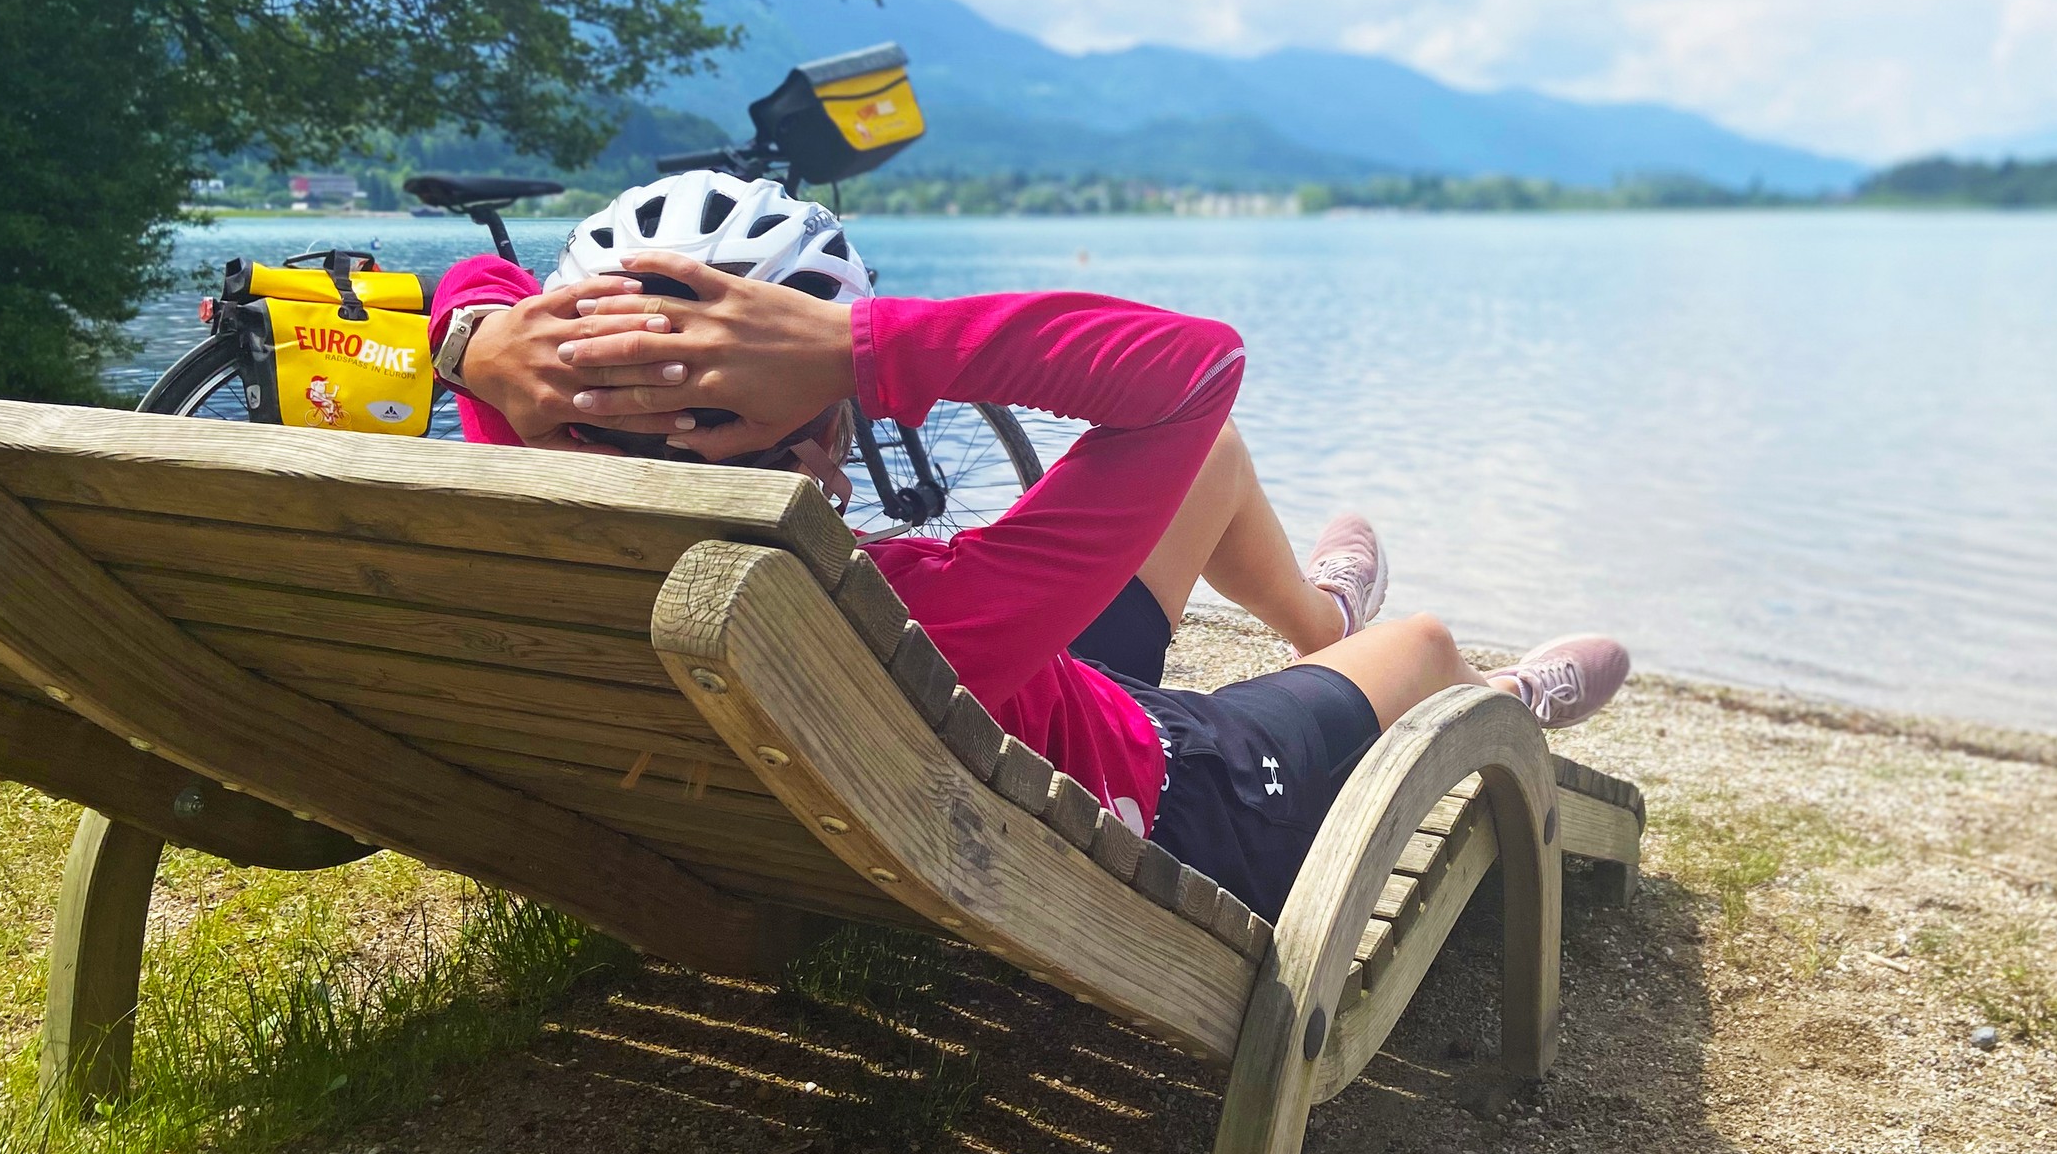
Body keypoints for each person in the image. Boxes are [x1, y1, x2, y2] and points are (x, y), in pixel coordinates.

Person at [429, 170, 1629, 917]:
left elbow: (469, 277)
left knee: (1207, 472)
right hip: (1170, 793)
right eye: (835, 422)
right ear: (810, 443)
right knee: (1423, 645)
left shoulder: (533, 475)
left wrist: (478, 344)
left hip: (1021, 705)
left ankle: (1321, 625)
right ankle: (1490, 703)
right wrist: (859, 347)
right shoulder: (910, 616)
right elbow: (1192, 366)